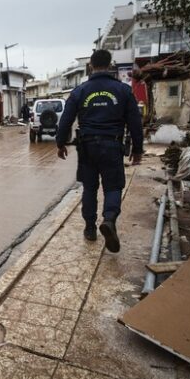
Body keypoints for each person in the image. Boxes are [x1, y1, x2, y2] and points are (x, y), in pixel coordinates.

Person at [55, 49, 143, 253]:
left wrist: (60, 143)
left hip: (87, 147)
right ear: (111, 64)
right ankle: (109, 220)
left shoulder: (80, 91)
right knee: (113, 187)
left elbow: (66, 120)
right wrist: (137, 149)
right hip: (112, 145)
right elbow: (135, 122)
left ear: (91, 66)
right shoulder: (122, 91)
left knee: (89, 187)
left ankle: (90, 228)